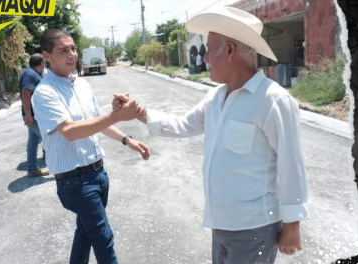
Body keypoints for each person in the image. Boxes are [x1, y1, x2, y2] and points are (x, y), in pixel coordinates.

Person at [113, 6, 310, 264]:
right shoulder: (217, 97)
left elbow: (291, 164)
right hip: (222, 223)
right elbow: (183, 124)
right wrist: (138, 112)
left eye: (208, 50)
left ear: (229, 51)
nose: (204, 58)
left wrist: (292, 224)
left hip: (254, 227)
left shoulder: (273, 100)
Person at [31, 29, 151, 264]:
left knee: (85, 234)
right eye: (63, 50)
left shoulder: (82, 85)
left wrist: (128, 140)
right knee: (103, 238)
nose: (71, 54)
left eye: (73, 48)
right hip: (75, 182)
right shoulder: (45, 92)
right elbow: (70, 131)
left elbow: (97, 122)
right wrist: (116, 116)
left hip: (98, 174)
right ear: (46, 56)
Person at [19, 53, 49, 177]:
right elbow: (25, 94)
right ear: (41, 64)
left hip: (35, 115)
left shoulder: (31, 73)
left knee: (33, 141)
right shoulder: (30, 74)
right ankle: (59, 167)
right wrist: (28, 116)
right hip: (33, 116)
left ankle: (32, 169)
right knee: (49, 138)